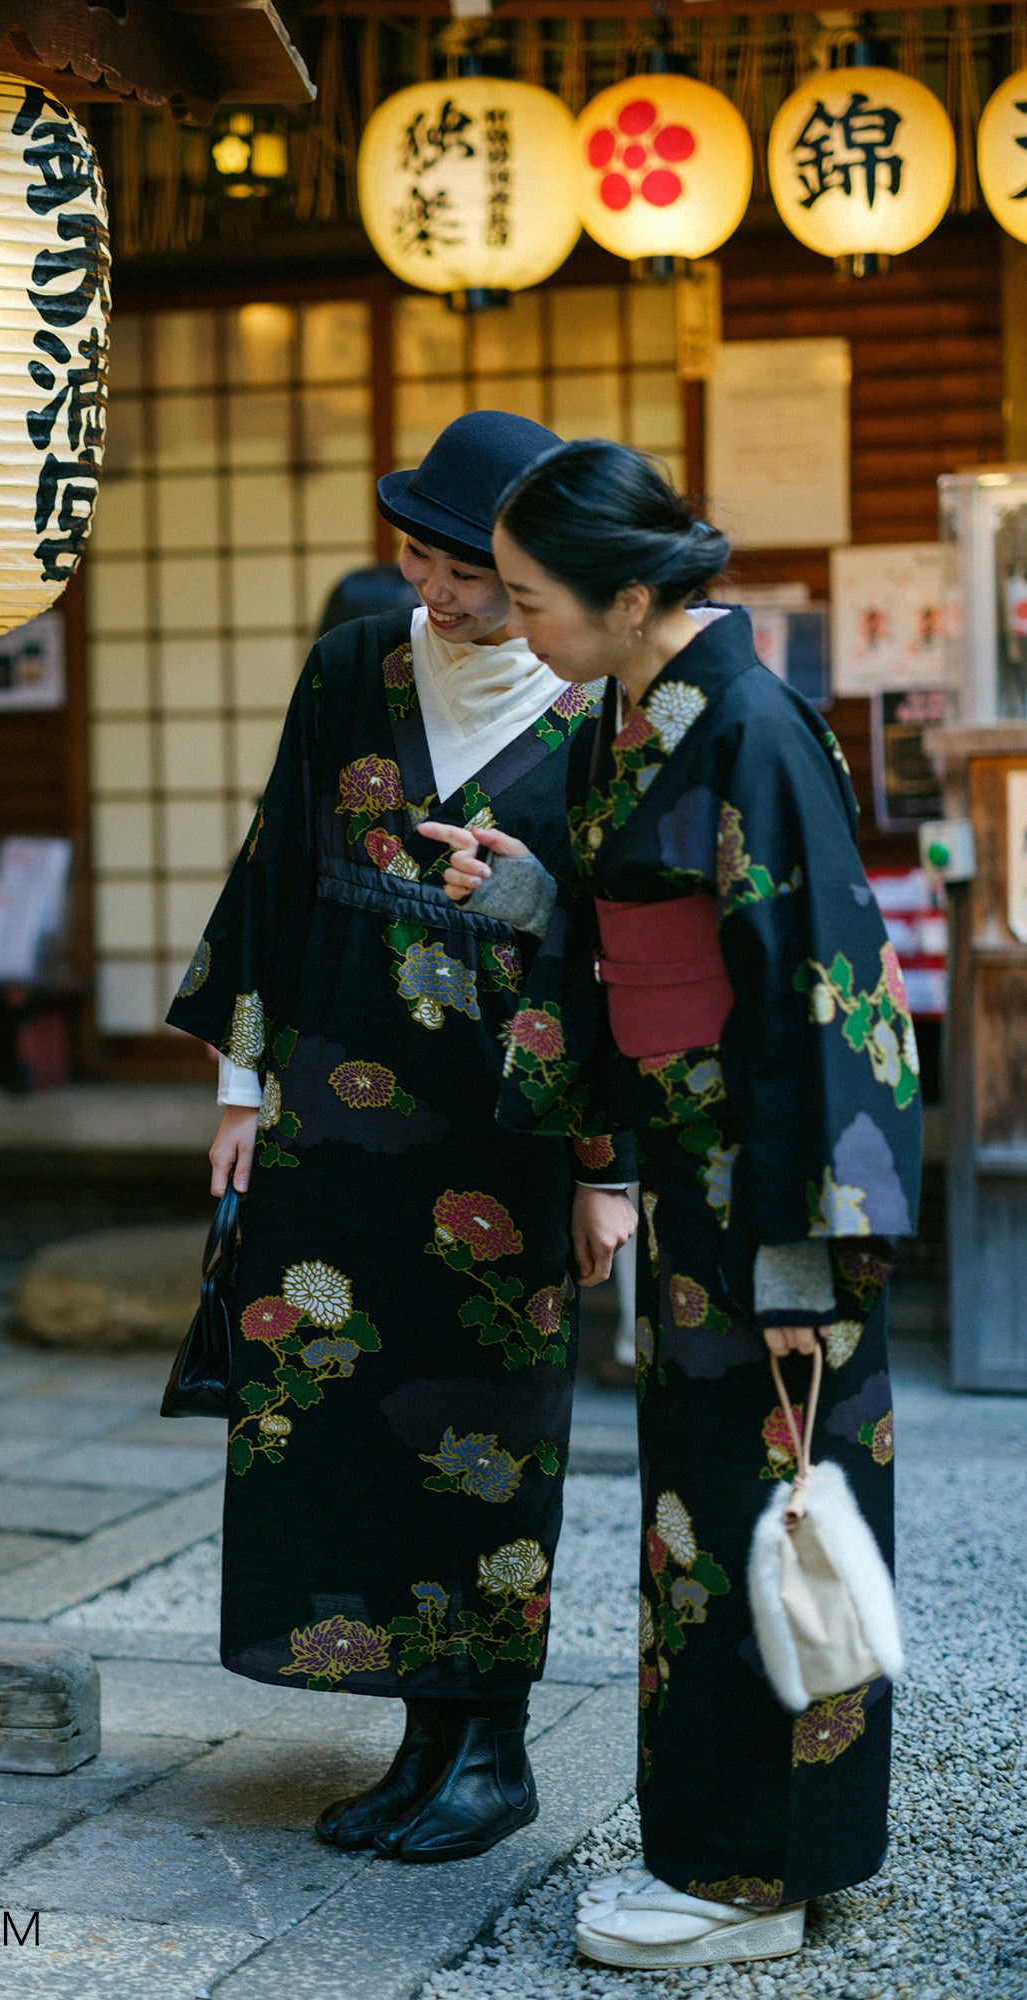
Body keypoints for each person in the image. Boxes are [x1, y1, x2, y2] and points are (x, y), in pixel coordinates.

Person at [428, 439, 920, 1964]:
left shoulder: (750, 729)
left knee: (761, 1507)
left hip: (769, 1189)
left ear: (628, 593)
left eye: (528, 597)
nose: (512, 623)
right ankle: (722, 1852)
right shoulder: (633, 717)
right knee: (698, 1517)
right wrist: (530, 894)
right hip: (703, 1172)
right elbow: (608, 908)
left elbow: (822, 992)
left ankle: (750, 1879)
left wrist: (804, 1231)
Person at [165, 411, 634, 1865]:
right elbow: (274, 875)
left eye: (470, 572)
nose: (436, 590)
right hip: (332, 1094)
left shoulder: (600, 708)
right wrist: (241, 1091)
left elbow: (632, 947)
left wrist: (608, 1166)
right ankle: (410, 1737)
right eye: (419, 559)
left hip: (508, 1126)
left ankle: (487, 1750)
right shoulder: (351, 664)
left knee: (486, 1435)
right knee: (337, 1421)